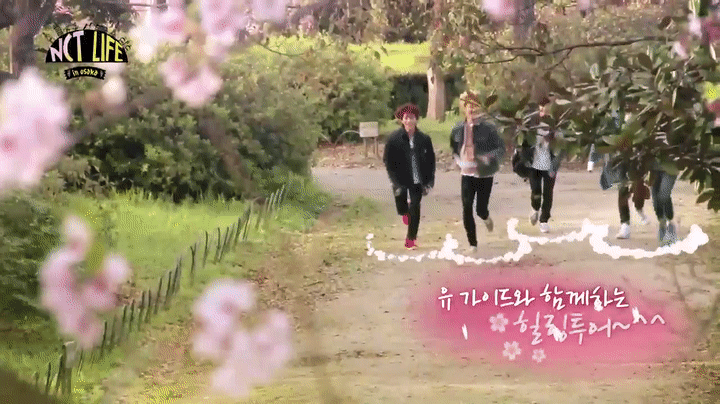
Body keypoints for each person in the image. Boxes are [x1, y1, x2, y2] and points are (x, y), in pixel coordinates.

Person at [450, 91, 506, 254]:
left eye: (474, 105)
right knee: (467, 207)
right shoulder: (458, 128)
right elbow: (454, 147)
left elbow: (501, 148)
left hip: (484, 173)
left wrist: (488, 157)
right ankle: (472, 244)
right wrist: (457, 160)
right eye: (468, 105)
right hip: (466, 173)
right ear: (464, 108)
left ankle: (486, 217)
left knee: (480, 209)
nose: (471, 109)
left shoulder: (489, 128)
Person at [383, 103, 436, 250]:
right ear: (401, 119)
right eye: (406, 118)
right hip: (400, 179)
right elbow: (387, 160)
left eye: (412, 117)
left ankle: (411, 239)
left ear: (416, 119)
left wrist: (429, 181)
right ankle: (405, 213)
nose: (409, 121)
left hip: (418, 179)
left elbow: (431, 161)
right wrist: (394, 179)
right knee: (402, 207)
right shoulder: (393, 138)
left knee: (415, 207)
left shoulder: (424, 139)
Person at [589, 111, 650, 239]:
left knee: (638, 190)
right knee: (622, 190)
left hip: (636, 161)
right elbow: (601, 139)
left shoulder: (641, 114)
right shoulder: (613, 117)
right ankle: (625, 225)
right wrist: (592, 160)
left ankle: (639, 208)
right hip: (620, 161)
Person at [517, 102, 566, 233]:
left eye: (545, 110)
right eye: (541, 110)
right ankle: (535, 208)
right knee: (536, 191)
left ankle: (544, 220)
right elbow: (524, 145)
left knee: (548, 193)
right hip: (535, 165)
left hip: (550, 166)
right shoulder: (531, 127)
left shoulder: (556, 128)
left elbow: (562, 147)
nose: (543, 112)